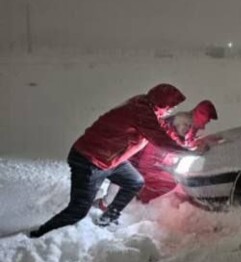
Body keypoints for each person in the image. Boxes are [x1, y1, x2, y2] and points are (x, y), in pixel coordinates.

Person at [29, 84, 194, 238]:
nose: (172, 109)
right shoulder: (141, 111)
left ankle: (108, 217)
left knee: (134, 182)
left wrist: (186, 145)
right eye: (170, 105)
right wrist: (186, 152)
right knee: (78, 210)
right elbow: (159, 138)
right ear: (162, 103)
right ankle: (40, 235)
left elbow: (163, 130)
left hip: (111, 159)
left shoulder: (149, 108)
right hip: (90, 159)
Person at [128, 100, 218, 203]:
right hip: (146, 167)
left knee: (176, 181)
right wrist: (191, 152)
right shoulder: (169, 131)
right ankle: (138, 202)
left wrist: (202, 141)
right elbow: (148, 161)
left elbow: (186, 142)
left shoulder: (187, 127)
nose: (204, 125)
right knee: (170, 181)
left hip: (157, 165)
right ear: (200, 114)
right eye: (206, 120)